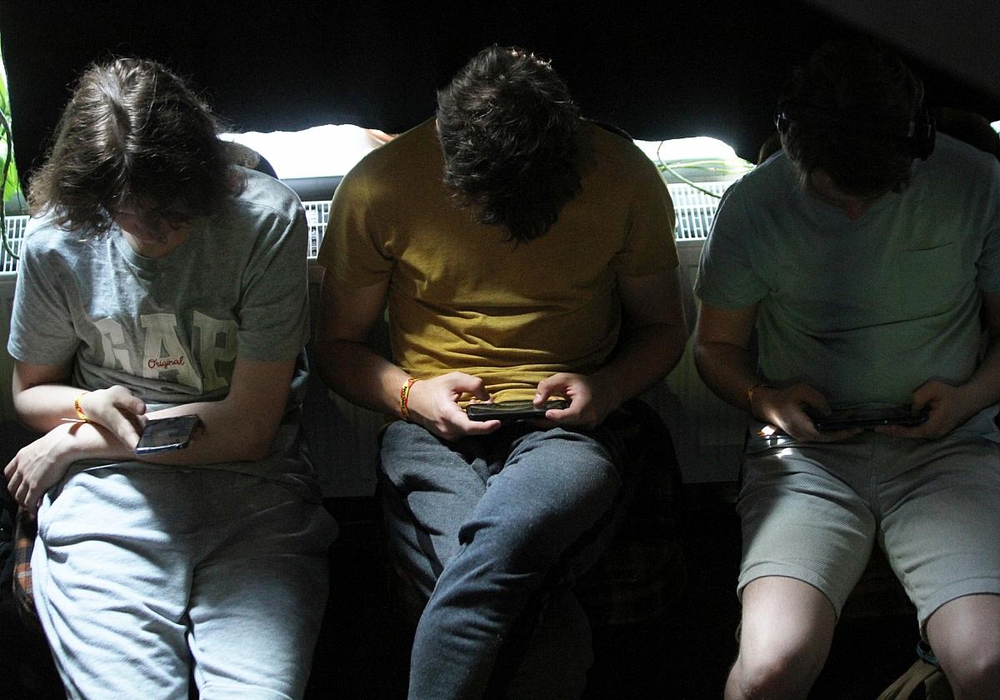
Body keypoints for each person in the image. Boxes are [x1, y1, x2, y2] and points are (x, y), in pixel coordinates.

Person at [314, 45, 686, 699]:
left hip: (567, 430)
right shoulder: (381, 185)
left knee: (497, 549)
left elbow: (663, 330)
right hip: (429, 429)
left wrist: (604, 389)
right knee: (517, 600)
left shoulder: (623, 174)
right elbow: (337, 348)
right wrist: (412, 394)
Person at [3, 58, 337, 699]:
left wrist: (80, 436)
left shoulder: (264, 220)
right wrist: (90, 404)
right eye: (129, 212)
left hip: (252, 494)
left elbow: (248, 430)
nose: (155, 234)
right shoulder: (56, 240)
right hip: (108, 503)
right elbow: (30, 392)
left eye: (173, 211)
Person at [693, 40, 1000, 699]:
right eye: (834, 195)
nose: (857, 212)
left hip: (948, 451)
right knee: (770, 668)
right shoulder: (753, 203)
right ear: (794, 149)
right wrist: (765, 398)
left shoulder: (979, 182)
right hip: (808, 461)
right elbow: (714, 349)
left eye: (880, 192)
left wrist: (970, 396)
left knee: (988, 663)